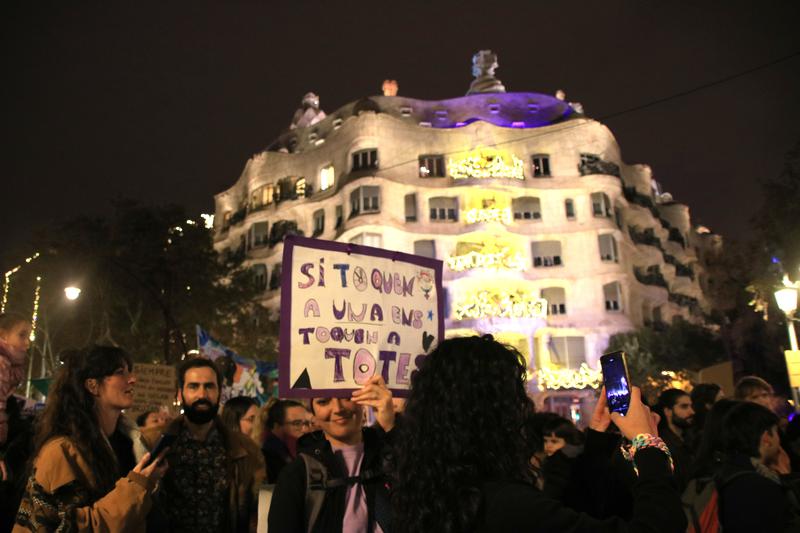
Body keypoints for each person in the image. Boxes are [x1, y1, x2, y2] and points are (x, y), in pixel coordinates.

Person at [390, 335, 685, 533]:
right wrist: (647, 442)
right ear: (491, 412)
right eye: (514, 395)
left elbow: (572, 513)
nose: (525, 407)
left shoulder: (435, 493)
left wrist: (598, 437)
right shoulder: (505, 504)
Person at [13, 345, 167, 532]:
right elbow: (73, 527)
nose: (133, 379)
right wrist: (137, 486)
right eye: (120, 372)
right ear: (93, 385)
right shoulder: (62, 451)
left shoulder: (132, 443)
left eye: (130, 372)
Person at [141, 357, 265, 533]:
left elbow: (255, 511)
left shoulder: (246, 449)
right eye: (193, 386)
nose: (202, 395)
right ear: (179, 393)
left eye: (209, 386)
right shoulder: (151, 442)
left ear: (219, 393)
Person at [268, 375, 395, 533]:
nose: (338, 409)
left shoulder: (392, 454)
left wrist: (391, 428)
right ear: (313, 413)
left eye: (347, 397)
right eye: (323, 401)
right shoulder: (297, 474)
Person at [717, 401, 800, 532]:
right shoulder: (759, 487)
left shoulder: (728, 471)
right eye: (776, 432)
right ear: (767, 438)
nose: (779, 440)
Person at [0, 314, 33, 530]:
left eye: (28, 336)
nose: (27, 342)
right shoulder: (1, 364)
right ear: (2, 335)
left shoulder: (10, 368)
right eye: (22, 335)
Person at [262, 399, 312, 483]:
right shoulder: (265, 461)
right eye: (297, 424)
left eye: (307, 423)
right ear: (276, 427)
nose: (305, 430)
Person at [657, 388, 695, 491]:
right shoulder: (661, 444)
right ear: (668, 411)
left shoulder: (691, 438)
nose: (691, 412)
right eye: (684, 407)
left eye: (691, 406)